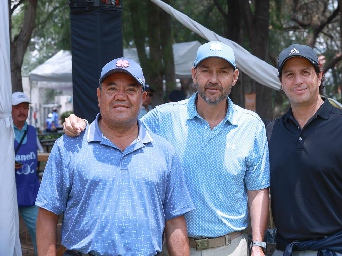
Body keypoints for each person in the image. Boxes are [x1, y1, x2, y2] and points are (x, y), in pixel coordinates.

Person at [63, 41, 270, 256]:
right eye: (206, 71)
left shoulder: (251, 125)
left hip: (231, 247)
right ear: (194, 74)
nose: (214, 79)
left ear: (235, 77)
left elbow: (257, 190)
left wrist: (257, 245)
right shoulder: (163, 119)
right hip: (171, 246)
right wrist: (80, 124)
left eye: (223, 72)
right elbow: (118, 127)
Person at [36, 57, 194, 256]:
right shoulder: (69, 147)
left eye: (130, 89)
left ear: (143, 97)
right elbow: (47, 214)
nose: (121, 96)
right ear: (99, 95)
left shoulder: (163, 151)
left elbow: (175, 220)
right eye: (112, 88)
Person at [268, 44, 342, 256]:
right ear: (281, 82)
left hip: (339, 249)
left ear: (319, 77)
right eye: (290, 74)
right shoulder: (272, 132)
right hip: (286, 250)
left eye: (305, 72)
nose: (298, 81)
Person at [12, 91, 40, 255]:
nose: (22, 111)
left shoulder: (33, 132)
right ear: (10, 110)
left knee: (40, 233)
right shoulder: (4, 132)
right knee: (8, 237)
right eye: (17, 108)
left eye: (25, 107)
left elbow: (41, 154)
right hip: (9, 195)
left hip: (31, 193)